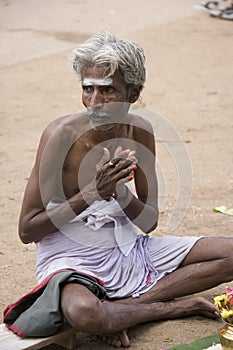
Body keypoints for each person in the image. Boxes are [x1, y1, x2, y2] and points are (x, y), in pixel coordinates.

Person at [4, 31, 233, 348]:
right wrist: (91, 194)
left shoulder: (140, 131)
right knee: (84, 311)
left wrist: (118, 193)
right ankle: (171, 306)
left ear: (134, 92)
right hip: (71, 258)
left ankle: (127, 310)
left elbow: (148, 221)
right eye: (88, 89)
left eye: (108, 90)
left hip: (128, 249)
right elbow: (28, 230)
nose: (95, 102)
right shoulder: (60, 135)